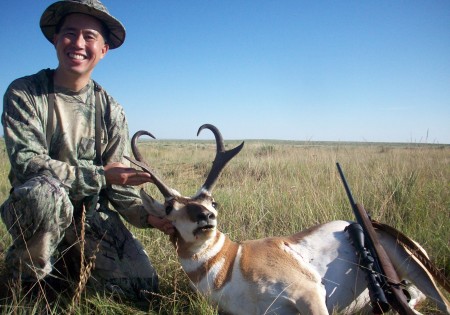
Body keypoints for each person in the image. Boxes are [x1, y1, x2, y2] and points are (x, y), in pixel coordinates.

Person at [0, 0, 174, 303]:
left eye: (89, 37)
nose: (78, 44)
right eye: (70, 33)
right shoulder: (24, 93)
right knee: (46, 196)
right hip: (37, 209)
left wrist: (152, 217)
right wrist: (102, 175)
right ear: (56, 39)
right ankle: (25, 288)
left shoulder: (112, 111)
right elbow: (28, 163)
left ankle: (68, 267)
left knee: (142, 290)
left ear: (104, 49)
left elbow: (118, 191)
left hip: (89, 218)